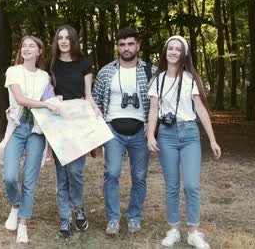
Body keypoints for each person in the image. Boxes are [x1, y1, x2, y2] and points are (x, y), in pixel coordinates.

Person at [146, 35, 221, 249]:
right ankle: (174, 230)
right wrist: (151, 135)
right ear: (165, 51)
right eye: (170, 48)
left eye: (178, 49)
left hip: (189, 134)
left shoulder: (190, 79)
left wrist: (213, 140)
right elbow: (153, 109)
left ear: (183, 54)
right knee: (171, 185)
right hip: (167, 135)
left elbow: (201, 111)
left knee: (191, 185)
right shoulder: (157, 79)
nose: (173, 52)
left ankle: (194, 232)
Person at [0, 35, 60, 244]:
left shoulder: (44, 77)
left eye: (32, 46)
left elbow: (51, 100)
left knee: (30, 180)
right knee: (10, 176)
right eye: (24, 46)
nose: (27, 49)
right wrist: (47, 104)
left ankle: (23, 224)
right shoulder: (13, 72)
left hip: (37, 132)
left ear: (39, 52)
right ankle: (15, 206)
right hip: (18, 128)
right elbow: (20, 100)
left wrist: (55, 103)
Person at [92, 27, 156, 235]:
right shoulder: (106, 72)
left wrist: (152, 126)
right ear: (117, 47)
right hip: (113, 130)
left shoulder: (151, 71)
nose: (126, 48)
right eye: (122, 44)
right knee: (111, 173)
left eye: (130, 44)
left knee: (139, 176)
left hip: (141, 131)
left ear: (138, 45)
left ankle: (134, 217)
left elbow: (159, 103)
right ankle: (113, 219)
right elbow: (95, 101)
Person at [49, 24, 101, 238]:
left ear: (73, 40)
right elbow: (47, 94)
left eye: (67, 38)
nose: (63, 41)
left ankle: (78, 208)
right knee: (62, 174)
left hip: (79, 121)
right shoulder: (50, 65)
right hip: (58, 123)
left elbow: (88, 96)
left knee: (76, 171)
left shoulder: (85, 64)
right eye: (59, 37)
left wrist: (96, 111)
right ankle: (64, 219)